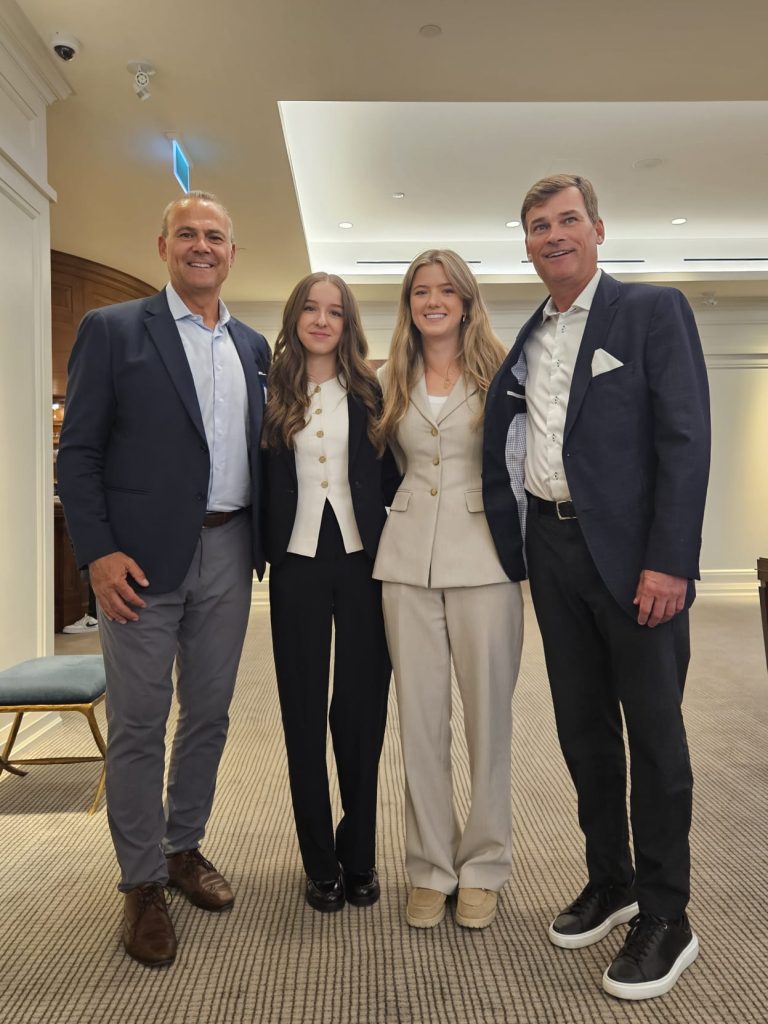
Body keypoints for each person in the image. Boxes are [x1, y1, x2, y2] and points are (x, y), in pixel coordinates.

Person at [483, 174, 710, 999]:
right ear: (528, 244)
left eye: (567, 220)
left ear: (599, 229)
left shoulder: (651, 313)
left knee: (654, 736)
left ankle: (667, 913)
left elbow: (684, 441)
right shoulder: (529, 339)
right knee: (582, 730)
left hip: (634, 561)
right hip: (552, 550)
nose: (553, 235)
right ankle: (610, 879)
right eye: (538, 226)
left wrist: (671, 560)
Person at [57, 191, 270, 967]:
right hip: (138, 564)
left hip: (230, 549)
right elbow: (77, 453)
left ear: (232, 253)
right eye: (189, 234)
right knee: (142, 722)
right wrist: (98, 554)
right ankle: (141, 882)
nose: (202, 245)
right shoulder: (113, 330)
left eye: (216, 235)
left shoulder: (253, 346)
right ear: (164, 246)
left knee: (209, 715)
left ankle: (184, 848)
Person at [373, 249, 525, 931]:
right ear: (409, 304)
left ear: (466, 299)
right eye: (419, 292)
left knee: (488, 720)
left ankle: (485, 865)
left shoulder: (503, 374)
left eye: (444, 291)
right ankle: (431, 867)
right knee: (420, 721)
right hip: (406, 563)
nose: (432, 301)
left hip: (486, 564)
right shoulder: (386, 378)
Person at [262, 272, 398, 913]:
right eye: (311, 309)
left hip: (363, 563)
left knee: (361, 713)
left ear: (348, 324)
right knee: (302, 713)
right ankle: (319, 863)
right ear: (294, 317)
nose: (322, 320)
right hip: (295, 566)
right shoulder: (267, 391)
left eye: (335, 311)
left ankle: (361, 853)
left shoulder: (373, 390)